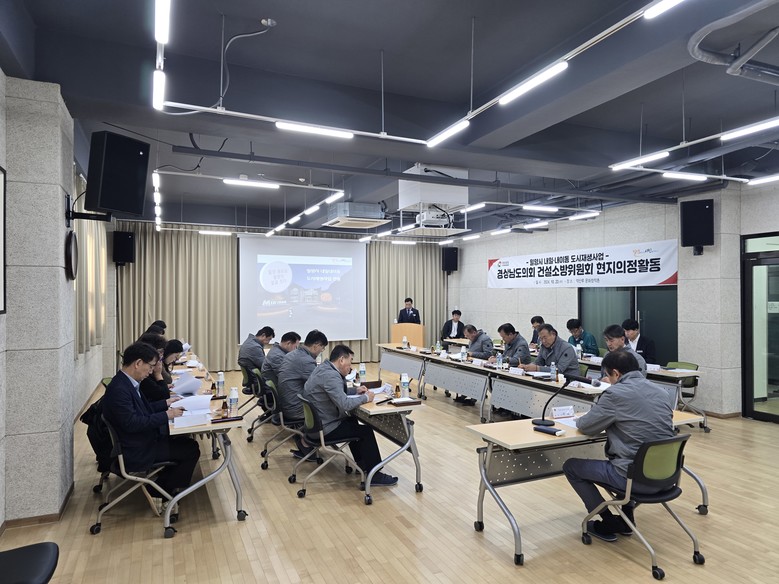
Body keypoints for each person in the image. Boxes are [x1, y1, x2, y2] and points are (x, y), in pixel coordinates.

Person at [562, 350, 675, 542]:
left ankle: (609, 522)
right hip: (666, 477)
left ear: (616, 373)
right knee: (629, 455)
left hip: (634, 479)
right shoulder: (662, 392)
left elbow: (586, 426)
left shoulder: (615, 394)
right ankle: (626, 516)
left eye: (608, 375)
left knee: (571, 466)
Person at [101, 342, 200, 497]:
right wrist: (167, 415)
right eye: (151, 366)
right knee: (190, 449)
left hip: (139, 441)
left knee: (184, 441)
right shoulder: (119, 390)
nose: (152, 371)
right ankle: (160, 493)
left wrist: (165, 403)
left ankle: (161, 487)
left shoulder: (126, 382)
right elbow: (133, 423)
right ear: (138, 363)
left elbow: (143, 410)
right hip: (136, 450)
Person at [302, 344, 398, 486]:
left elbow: (334, 391)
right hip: (324, 429)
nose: (351, 366)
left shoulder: (323, 368)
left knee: (352, 420)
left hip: (314, 426)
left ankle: (362, 464)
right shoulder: (331, 376)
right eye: (350, 361)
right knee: (365, 431)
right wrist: (366, 398)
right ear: (341, 360)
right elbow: (345, 404)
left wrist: (355, 391)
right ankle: (375, 475)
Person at [278, 330, 328, 457]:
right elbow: (319, 387)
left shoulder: (292, 354)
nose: (321, 351)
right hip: (295, 408)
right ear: (316, 346)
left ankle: (306, 439)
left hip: (285, 403)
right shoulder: (305, 360)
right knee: (331, 408)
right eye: (322, 348)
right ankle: (309, 441)